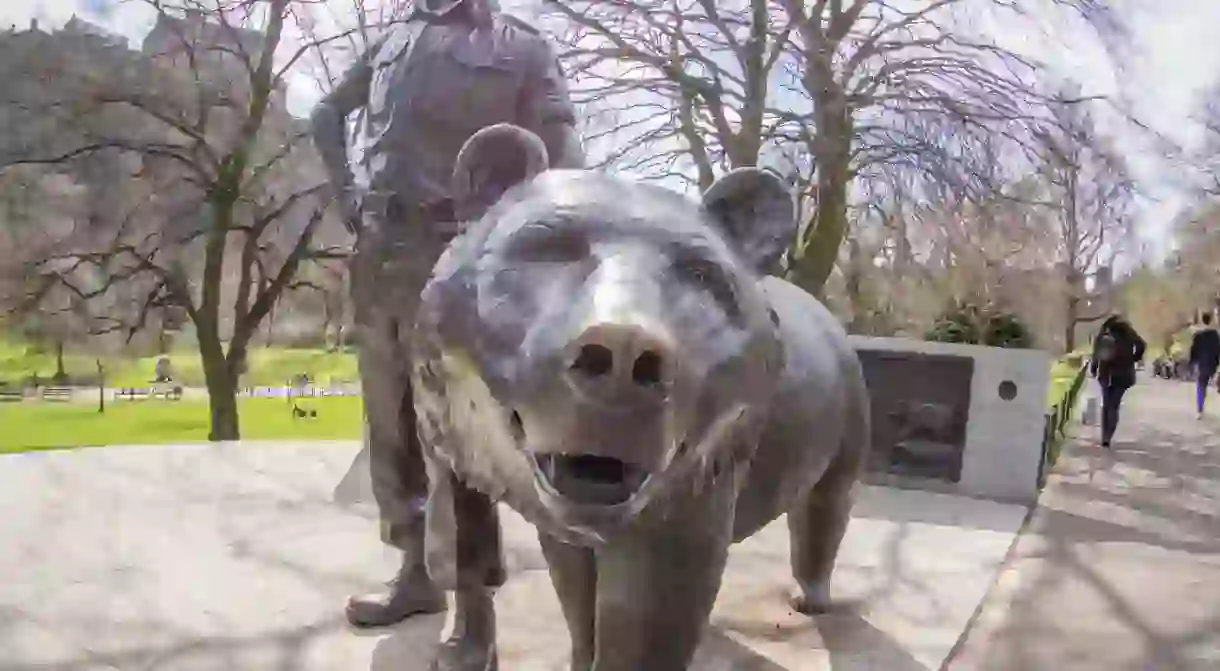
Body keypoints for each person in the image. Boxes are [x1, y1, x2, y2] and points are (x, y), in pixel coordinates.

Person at [308, 0, 584, 629]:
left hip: (460, 252)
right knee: (391, 426)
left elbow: (564, 147)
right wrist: (346, 193)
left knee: (455, 429)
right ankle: (414, 571)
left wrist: (552, 226)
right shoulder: (391, 39)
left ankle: (473, 607)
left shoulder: (522, 47)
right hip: (379, 252)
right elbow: (325, 114)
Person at [1089, 315, 1146, 449]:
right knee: (1114, 405)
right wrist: (1133, 358)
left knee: (1106, 404)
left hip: (1106, 373)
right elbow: (1142, 345)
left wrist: (1094, 367)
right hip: (1123, 373)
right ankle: (1109, 435)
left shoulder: (1104, 333)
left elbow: (1096, 353)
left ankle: (1104, 435)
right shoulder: (1128, 333)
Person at [1190, 313, 1220, 419]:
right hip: (1213, 364)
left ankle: (1199, 410)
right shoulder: (1215, 335)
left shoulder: (1198, 335)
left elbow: (1193, 351)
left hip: (1202, 365)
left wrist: (1193, 364)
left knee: (1201, 387)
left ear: (1202, 321)